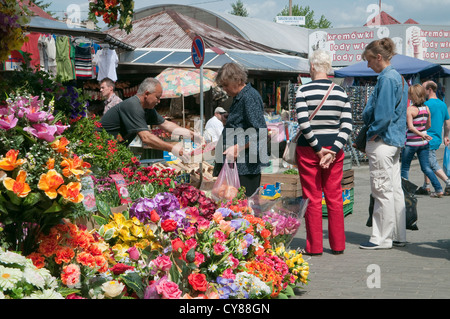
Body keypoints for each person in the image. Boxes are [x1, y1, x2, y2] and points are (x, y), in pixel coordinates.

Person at [295, 50, 353, 256]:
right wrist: (332, 151)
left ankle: (315, 246)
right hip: (334, 152)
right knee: (334, 196)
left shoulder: (302, 91)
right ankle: (338, 245)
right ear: (328, 69)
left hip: (308, 150)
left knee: (311, 196)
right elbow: (347, 125)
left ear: (312, 67)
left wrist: (318, 150)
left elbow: (303, 123)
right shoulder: (341, 92)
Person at [359, 38, 409, 250]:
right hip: (394, 140)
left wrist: (371, 133)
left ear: (379, 57)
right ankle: (398, 234)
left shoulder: (387, 78)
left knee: (381, 190)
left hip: (383, 140)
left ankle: (381, 237)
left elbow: (383, 114)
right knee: (394, 189)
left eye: (369, 60)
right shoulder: (398, 78)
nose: (368, 65)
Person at [100, 77, 196, 161]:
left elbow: (166, 124)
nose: (159, 101)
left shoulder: (148, 109)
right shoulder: (132, 105)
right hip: (100, 151)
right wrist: (173, 149)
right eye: (157, 97)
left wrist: (191, 134)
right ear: (146, 94)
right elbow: (146, 138)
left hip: (113, 152)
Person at [213, 62, 268, 197]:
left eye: (226, 85)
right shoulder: (240, 97)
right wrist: (231, 118)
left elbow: (259, 131)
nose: (224, 89)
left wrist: (238, 147)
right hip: (237, 164)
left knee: (244, 207)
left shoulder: (249, 97)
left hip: (246, 166)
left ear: (237, 80)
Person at [400, 84, 443, 197]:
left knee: (405, 167)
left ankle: (405, 191)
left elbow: (410, 127)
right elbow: (428, 125)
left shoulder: (410, 109)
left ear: (413, 95)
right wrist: (423, 134)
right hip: (423, 143)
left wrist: (419, 133)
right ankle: (438, 189)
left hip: (411, 143)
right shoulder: (426, 108)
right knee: (426, 167)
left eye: (409, 93)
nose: (408, 95)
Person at [415, 80, 450, 196]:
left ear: (429, 89)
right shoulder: (443, 104)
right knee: (426, 162)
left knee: (431, 163)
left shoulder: (426, 105)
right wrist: (446, 136)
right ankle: (426, 186)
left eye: (424, 89)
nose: (422, 92)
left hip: (428, 138)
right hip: (436, 138)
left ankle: (448, 182)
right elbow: (448, 123)